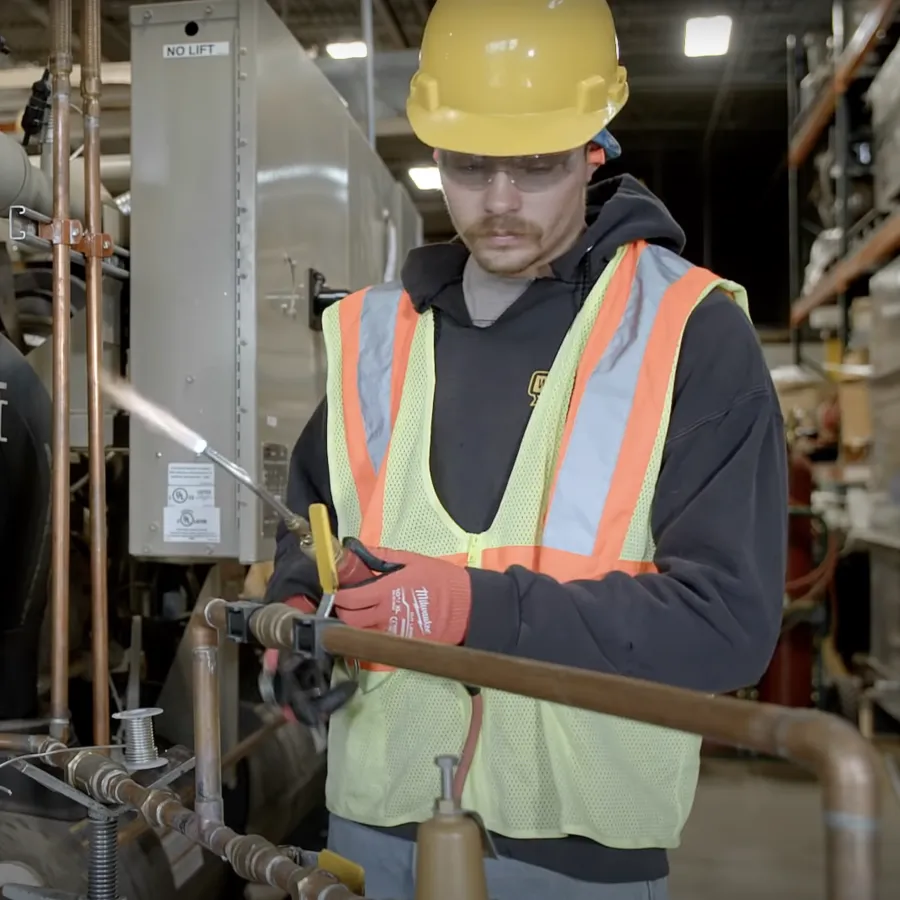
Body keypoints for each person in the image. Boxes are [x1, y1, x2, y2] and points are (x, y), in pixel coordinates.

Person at [264, 0, 787, 897]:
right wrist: (295, 618)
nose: (499, 201)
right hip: (368, 825)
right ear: (434, 153)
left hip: (578, 856)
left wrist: (476, 610)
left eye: (537, 167)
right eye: (470, 167)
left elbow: (728, 628)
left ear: (594, 149)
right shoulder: (377, 336)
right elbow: (310, 529)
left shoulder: (686, 331)